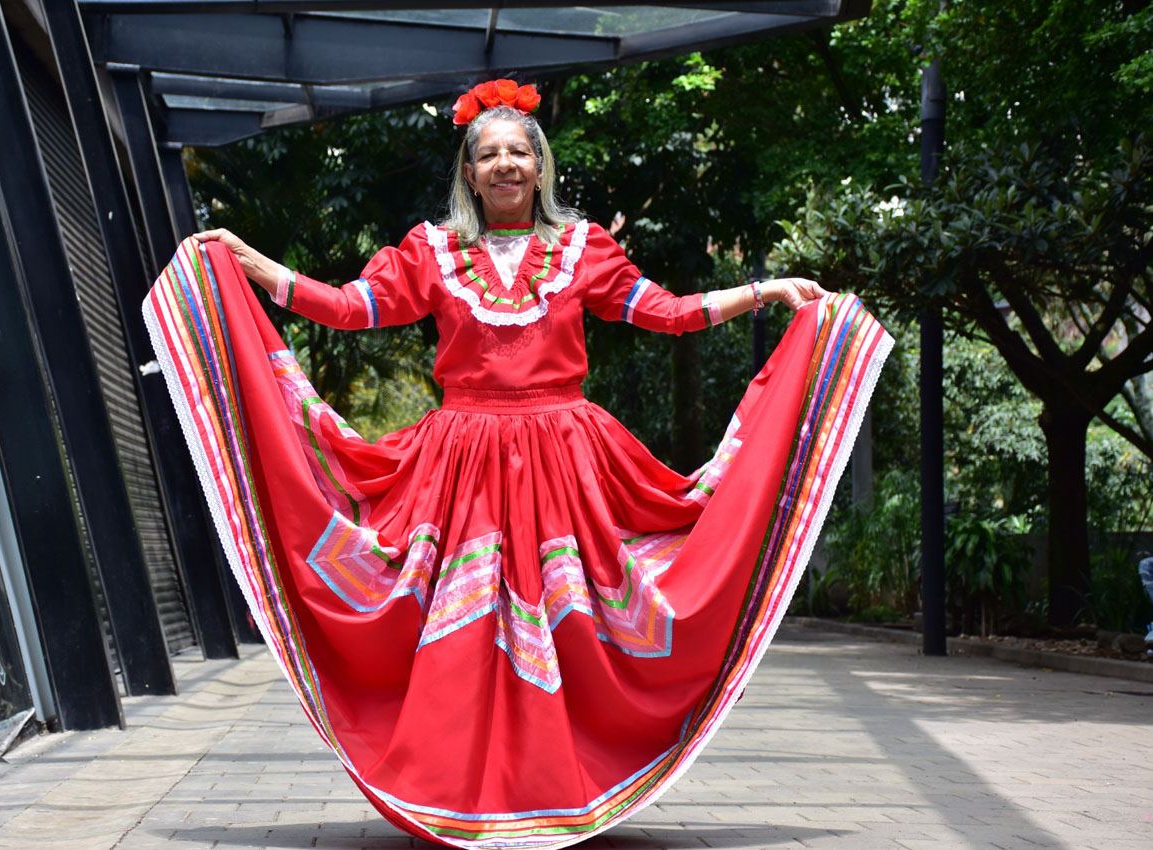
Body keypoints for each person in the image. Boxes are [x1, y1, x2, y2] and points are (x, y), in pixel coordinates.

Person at [145, 79, 893, 849]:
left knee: (577, 626)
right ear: (468, 174)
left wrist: (765, 290)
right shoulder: (430, 251)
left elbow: (663, 312)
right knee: (456, 627)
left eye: (518, 152)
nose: (504, 164)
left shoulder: (584, 247)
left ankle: (556, 784)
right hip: (460, 460)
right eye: (488, 153)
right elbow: (351, 308)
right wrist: (255, 266)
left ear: (541, 168)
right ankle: (458, 790)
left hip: (567, 458)